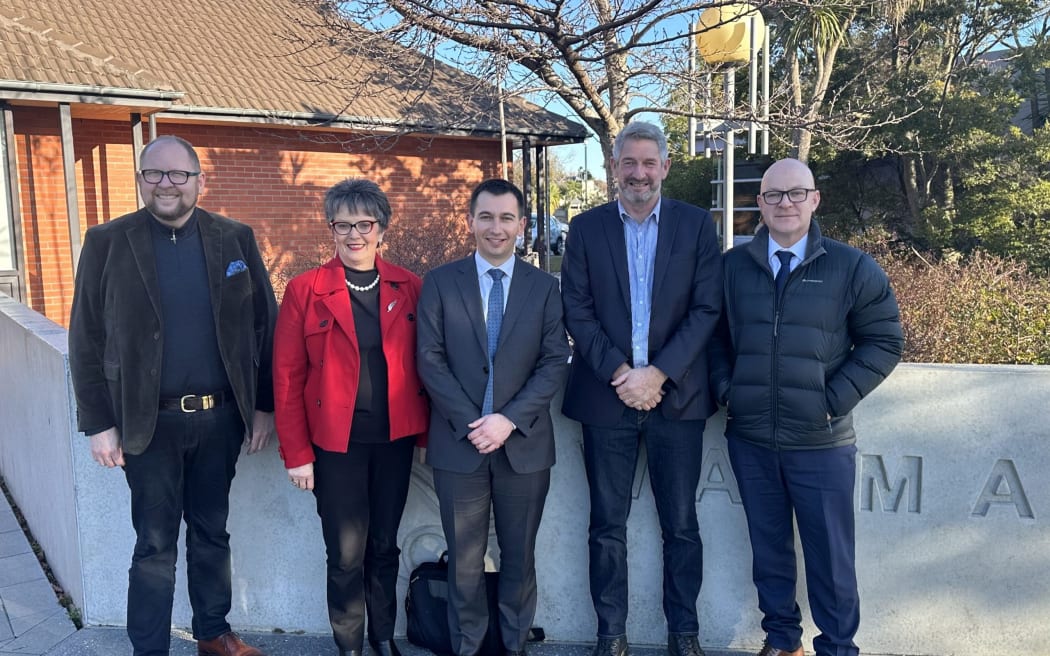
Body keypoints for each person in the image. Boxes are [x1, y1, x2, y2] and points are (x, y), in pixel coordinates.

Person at [68, 135, 277, 656]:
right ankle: (150, 648)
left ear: (199, 181)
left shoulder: (236, 239)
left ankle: (212, 632)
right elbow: (85, 335)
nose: (166, 184)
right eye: (155, 174)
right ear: (140, 180)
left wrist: (264, 405)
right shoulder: (106, 242)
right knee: (154, 545)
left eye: (178, 174)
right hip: (147, 425)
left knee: (212, 534)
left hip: (221, 419)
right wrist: (98, 422)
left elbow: (264, 327)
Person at [708, 158, 904, 656]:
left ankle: (838, 646)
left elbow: (884, 341)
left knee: (831, 557)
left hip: (822, 441)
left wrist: (831, 402)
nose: (785, 203)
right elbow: (711, 338)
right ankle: (782, 642)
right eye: (774, 195)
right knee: (769, 551)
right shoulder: (732, 267)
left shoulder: (851, 266)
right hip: (751, 438)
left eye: (797, 193)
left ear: (815, 199)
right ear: (760, 203)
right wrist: (729, 391)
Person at [560, 121, 723, 656]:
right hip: (606, 398)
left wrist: (658, 373)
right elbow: (577, 312)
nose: (639, 173)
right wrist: (622, 374)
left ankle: (685, 634)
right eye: (629, 162)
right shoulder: (585, 229)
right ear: (613, 168)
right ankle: (612, 635)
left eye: (649, 163)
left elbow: (706, 310)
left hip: (677, 397)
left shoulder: (698, 226)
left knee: (681, 525)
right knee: (606, 524)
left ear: (666, 168)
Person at [272, 179, 428, 656]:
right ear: (331, 229)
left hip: (395, 440)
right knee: (344, 554)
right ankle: (350, 646)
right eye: (344, 225)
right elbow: (286, 376)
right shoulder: (305, 290)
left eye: (365, 224)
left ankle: (382, 639)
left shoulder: (410, 286)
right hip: (334, 446)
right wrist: (297, 454)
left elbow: (428, 364)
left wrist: (425, 437)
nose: (355, 234)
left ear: (382, 229)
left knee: (384, 545)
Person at [416, 178, 569, 656]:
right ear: (470, 222)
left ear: (522, 226)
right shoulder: (441, 282)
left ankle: (514, 645)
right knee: (464, 561)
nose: (495, 228)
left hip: (523, 446)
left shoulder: (545, 288)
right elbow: (429, 360)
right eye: (486, 217)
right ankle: (468, 647)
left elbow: (552, 361)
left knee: (519, 557)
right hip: (458, 446)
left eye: (506, 218)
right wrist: (473, 423)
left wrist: (506, 420)